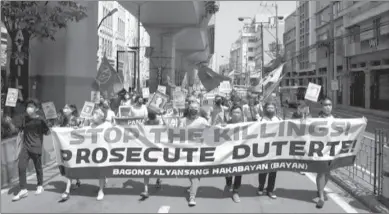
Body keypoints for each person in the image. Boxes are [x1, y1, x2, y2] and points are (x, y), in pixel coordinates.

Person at [12, 99, 50, 201]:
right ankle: (23, 189)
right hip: (26, 147)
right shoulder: (25, 118)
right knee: (21, 166)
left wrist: (48, 125)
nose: (29, 108)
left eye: (32, 106)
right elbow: (19, 127)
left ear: (36, 108)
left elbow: (47, 132)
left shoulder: (40, 120)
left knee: (38, 167)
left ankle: (40, 185)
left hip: (36, 146)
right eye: (28, 106)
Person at [180, 101, 209, 206]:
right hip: (187, 151)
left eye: (196, 108)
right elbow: (176, 132)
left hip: (199, 151)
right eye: (192, 107)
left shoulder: (203, 121)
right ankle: (194, 185)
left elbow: (213, 131)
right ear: (189, 109)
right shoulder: (183, 121)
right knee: (190, 174)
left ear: (199, 109)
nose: (194, 109)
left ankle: (192, 196)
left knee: (195, 174)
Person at [257, 99, 281, 200]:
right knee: (262, 170)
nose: (270, 109)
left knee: (273, 171)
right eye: (268, 108)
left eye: (272, 108)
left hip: (275, 150)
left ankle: (270, 190)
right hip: (263, 149)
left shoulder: (279, 120)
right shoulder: (261, 120)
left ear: (275, 109)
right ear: (265, 109)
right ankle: (261, 187)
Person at [58, 104, 82, 201]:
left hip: (75, 146)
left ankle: (67, 191)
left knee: (70, 167)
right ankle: (78, 181)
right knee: (70, 166)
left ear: (72, 110)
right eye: (64, 107)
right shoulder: (63, 120)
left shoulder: (76, 119)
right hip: (66, 146)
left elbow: (82, 131)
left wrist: (78, 129)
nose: (65, 109)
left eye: (67, 108)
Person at [88, 105, 110, 200]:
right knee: (99, 171)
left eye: (96, 113)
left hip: (104, 151)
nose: (94, 115)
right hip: (94, 151)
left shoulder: (107, 125)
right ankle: (104, 179)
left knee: (101, 170)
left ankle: (100, 190)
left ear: (102, 116)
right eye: (94, 113)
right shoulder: (91, 125)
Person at [315, 97, 334, 208]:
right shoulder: (317, 119)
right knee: (321, 173)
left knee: (327, 173)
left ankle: (320, 190)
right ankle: (321, 197)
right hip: (320, 150)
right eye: (326, 105)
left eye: (330, 105)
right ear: (322, 107)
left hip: (331, 150)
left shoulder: (335, 118)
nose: (328, 107)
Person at [140, 111, 163, 198]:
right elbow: (139, 129)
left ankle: (158, 179)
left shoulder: (158, 121)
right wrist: (144, 122)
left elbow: (165, 128)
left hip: (157, 147)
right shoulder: (146, 122)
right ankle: (146, 190)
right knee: (146, 169)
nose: (151, 121)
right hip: (147, 148)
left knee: (157, 167)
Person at [225, 105, 244, 203]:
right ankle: (228, 183)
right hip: (228, 152)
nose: (236, 114)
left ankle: (235, 191)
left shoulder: (246, 125)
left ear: (241, 114)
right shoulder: (226, 125)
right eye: (234, 112)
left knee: (238, 171)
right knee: (228, 171)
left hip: (240, 152)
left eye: (238, 112)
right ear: (231, 114)